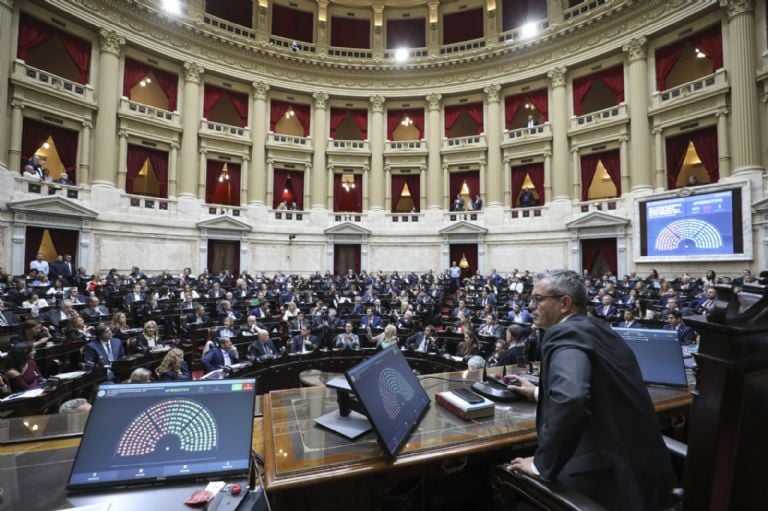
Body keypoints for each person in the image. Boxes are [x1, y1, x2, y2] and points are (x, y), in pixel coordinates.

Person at [507, 270, 677, 511]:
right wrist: (537, 393)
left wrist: (541, 465)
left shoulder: (564, 333)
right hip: (645, 475)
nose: (531, 305)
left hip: (608, 482)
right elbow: (598, 390)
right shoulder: (597, 328)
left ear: (564, 303)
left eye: (537, 299)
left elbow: (572, 399)